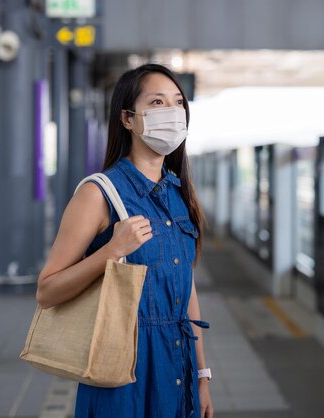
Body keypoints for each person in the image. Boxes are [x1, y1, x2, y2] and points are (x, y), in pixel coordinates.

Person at [35, 63, 214, 418]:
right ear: (128, 119)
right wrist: (111, 251)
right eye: (158, 102)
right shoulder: (97, 193)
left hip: (178, 366)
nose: (173, 112)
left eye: (178, 102)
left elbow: (186, 287)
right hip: (122, 369)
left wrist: (202, 375)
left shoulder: (179, 192)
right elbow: (47, 291)